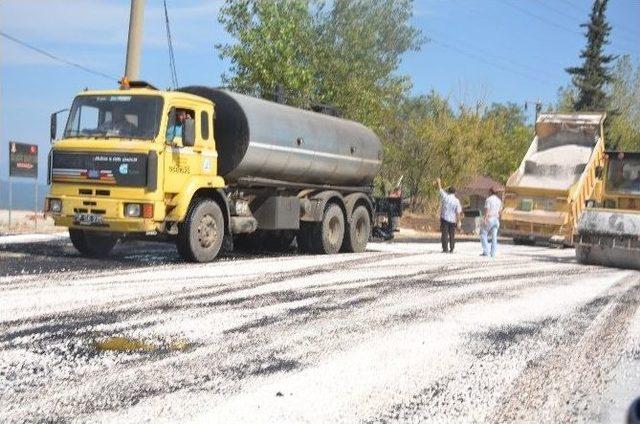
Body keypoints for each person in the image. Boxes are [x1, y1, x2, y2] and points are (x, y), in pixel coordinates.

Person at [436, 177, 463, 253]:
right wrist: (459, 222)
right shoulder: (456, 201)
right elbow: (458, 212)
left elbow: (440, 189)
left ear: (448, 191)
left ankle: (445, 248)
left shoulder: (445, 197)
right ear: (455, 192)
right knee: (452, 234)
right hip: (452, 220)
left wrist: (439, 182)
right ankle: (452, 248)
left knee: (444, 234)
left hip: (444, 218)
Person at [480, 187, 502, 257]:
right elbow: (500, 211)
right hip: (496, 219)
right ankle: (493, 253)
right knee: (494, 236)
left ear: (490, 192)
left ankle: (486, 251)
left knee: (483, 233)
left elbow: (487, 210)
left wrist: (485, 219)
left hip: (490, 218)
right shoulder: (499, 200)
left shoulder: (488, 200)